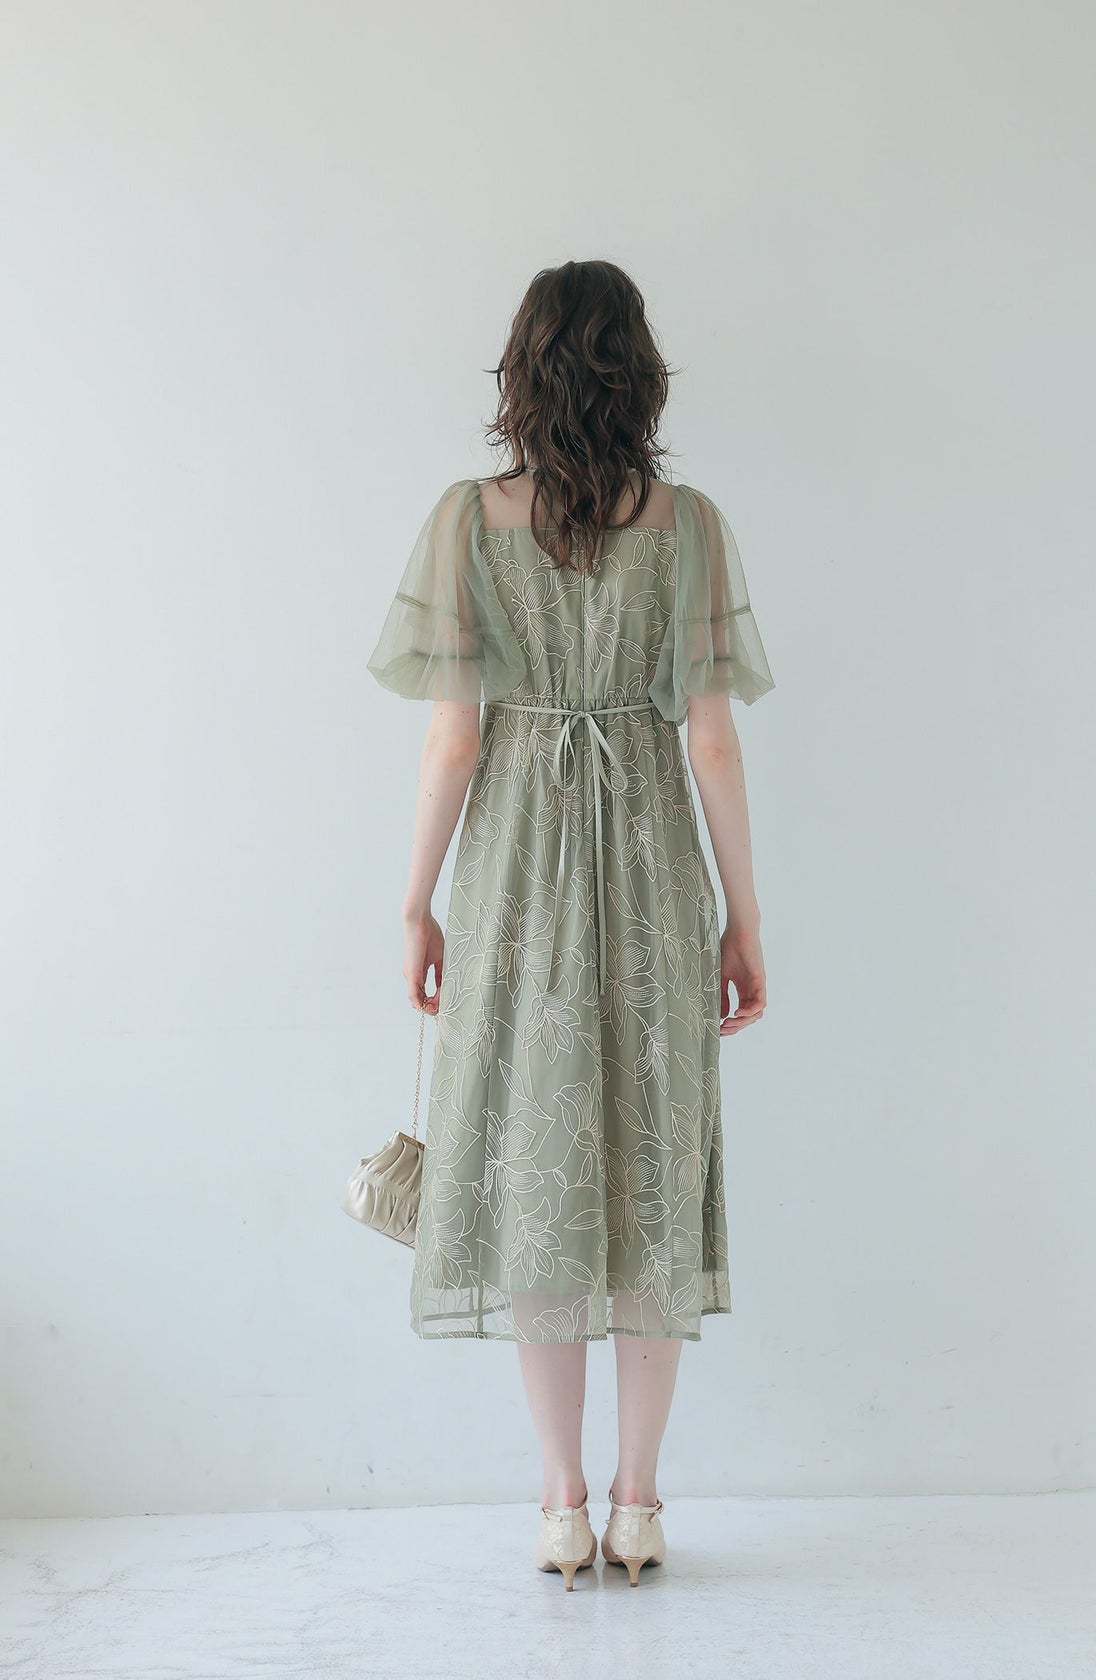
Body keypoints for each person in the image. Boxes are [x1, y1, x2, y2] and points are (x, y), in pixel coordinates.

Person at [365, 259, 775, 1588]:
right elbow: (712, 743)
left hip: (516, 873)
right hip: (652, 858)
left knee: (537, 1159)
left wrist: (417, 901)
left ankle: (559, 1504)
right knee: (650, 1166)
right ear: (639, 372)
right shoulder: (691, 525)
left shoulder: (465, 521)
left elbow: (452, 738)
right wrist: (743, 918)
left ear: (523, 372)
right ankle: (639, 1503)